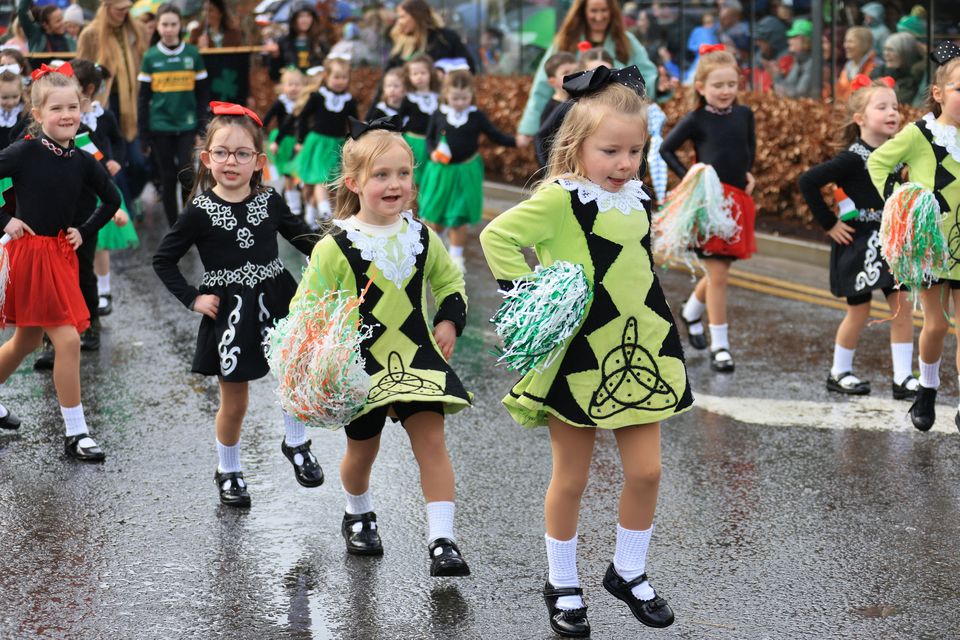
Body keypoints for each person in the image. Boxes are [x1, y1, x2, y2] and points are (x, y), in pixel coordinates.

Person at [480, 65, 688, 638]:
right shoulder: (559, 199)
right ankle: (563, 581)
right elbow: (496, 236)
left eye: (635, 151)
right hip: (578, 354)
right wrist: (526, 294)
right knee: (571, 478)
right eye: (611, 151)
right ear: (576, 146)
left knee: (646, 472)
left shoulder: (634, 197)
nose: (625, 164)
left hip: (641, 346)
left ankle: (628, 570)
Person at [290, 117, 472, 574]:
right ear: (354, 182)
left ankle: (442, 539)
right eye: (381, 175)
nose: (395, 185)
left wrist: (450, 319)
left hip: (417, 356)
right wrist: (317, 357)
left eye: (403, 174)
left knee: (432, 444)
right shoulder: (336, 245)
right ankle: (358, 512)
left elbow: (450, 281)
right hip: (361, 365)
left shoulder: (422, 236)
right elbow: (308, 307)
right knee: (361, 451)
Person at [153, 102, 319, 507]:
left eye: (242, 154)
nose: (232, 161)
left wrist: (345, 247)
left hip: (278, 297)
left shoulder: (270, 201)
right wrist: (193, 297)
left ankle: (296, 443)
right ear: (207, 159)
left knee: (293, 373)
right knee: (235, 400)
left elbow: (304, 239)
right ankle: (228, 469)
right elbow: (163, 259)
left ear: (258, 160)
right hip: (230, 313)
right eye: (223, 153)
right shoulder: (199, 211)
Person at [0, 64, 121, 460]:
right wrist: (6, 218)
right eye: (56, 109)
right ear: (37, 115)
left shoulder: (84, 159)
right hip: (30, 253)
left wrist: (84, 231)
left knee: (27, 340)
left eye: (73, 107)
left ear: (82, 109)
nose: (67, 115)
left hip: (60, 254)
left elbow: (113, 199)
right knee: (67, 339)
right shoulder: (25, 152)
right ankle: (76, 432)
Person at [799, 75, 917, 398]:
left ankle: (904, 378)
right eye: (882, 107)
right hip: (858, 244)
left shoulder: (896, 152)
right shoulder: (851, 158)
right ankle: (839, 372)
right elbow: (808, 181)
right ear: (860, 119)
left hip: (891, 242)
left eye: (895, 106)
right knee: (859, 310)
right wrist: (828, 224)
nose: (893, 112)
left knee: (902, 307)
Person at [867, 42, 960, 431]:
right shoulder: (921, 133)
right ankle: (927, 388)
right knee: (936, 325)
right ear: (938, 94)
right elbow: (878, 162)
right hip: (933, 246)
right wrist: (900, 207)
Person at [661, 46, 756, 373]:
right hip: (709, 202)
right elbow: (665, 148)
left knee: (721, 269)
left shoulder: (745, 115)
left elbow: (748, 148)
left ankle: (690, 312)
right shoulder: (696, 119)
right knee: (719, 275)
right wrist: (692, 176)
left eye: (731, 84)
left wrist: (748, 173)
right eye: (718, 85)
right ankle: (721, 346)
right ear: (700, 86)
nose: (726, 91)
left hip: (737, 200)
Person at [516, 0, 657, 148]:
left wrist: (659, 85)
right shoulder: (567, 40)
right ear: (583, 11)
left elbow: (646, 76)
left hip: (614, 120)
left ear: (611, 12)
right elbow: (542, 85)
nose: (599, 16)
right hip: (578, 123)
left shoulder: (626, 41)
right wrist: (528, 127)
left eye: (603, 10)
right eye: (593, 11)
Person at [420, 69, 516, 273]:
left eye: (464, 98)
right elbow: (429, 138)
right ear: (446, 94)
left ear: (471, 94)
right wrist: (432, 152)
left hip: (466, 171)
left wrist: (517, 141)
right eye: (455, 97)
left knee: (459, 215)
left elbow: (494, 135)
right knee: (434, 215)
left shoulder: (476, 116)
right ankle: (435, 250)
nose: (460, 102)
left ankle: (456, 255)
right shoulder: (438, 115)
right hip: (441, 171)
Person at [137, 3, 209, 226]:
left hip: (187, 126)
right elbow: (143, 98)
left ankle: (188, 219)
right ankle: (175, 227)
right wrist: (144, 133)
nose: (169, 29)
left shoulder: (192, 54)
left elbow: (203, 94)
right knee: (168, 178)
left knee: (187, 174)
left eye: (173, 24)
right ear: (158, 26)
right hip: (160, 127)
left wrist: (201, 127)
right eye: (164, 24)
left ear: (181, 26)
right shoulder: (150, 57)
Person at [76, 0, 150, 212]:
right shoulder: (90, 34)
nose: (124, 14)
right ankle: (123, 213)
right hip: (104, 106)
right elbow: (80, 69)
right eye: (119, 10)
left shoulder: (134, 29)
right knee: (112, 166)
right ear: (106, 7)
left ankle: (131, 200)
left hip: (133, 105)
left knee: (138, 163)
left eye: (127, 10)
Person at [294, 55, 357, 229]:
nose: (340, 81)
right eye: (336, 77)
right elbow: (303, 117)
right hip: (318, 144)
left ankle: (311, 213)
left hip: (336, 146)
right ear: (326, 77)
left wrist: (354, 142)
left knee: (329, 184)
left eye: (344, 77)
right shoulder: (318, 96)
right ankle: (326, 212)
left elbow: (353, 123)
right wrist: (300, 139)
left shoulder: (349, 101)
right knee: (320, 179)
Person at [386, 0, 475, 74]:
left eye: (402, 17)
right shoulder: (402, 45)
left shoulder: (445, 39)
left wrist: (445, 73)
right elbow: (387, 77)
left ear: (417, 16)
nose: (399, 22)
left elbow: (469, 67)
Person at [264, 66, 304, 216]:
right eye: (290, 84)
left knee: (299, 172)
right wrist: (261, 131)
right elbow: (267, 119)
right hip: (284, 141)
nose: (293, 88)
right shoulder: (280, 103)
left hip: (301, 142)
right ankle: (293, 205)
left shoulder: (306, 102)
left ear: (302, 87)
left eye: (297, 85)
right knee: (288, 173)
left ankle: (298, 196)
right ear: (283, 87)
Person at [400, 53, 439, 187]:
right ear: (409, 77)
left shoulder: (438, 98)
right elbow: (399, 120)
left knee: (430, 180)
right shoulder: (409, 98)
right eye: (415, 73)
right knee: (412, 179)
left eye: (423, 72)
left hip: (433, 144)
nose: (419, 76)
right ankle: (409, 207)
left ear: (430, 74)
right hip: (413, 143)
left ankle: (425, 207)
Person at [264, 2, 328, 81]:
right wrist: (275, 56)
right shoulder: (283, 42)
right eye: (301, 16)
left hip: (313, 85)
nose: (305, 20)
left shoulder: (319, 42)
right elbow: (274, 75)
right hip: (292, 86)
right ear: (294, 19)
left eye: (308, 16)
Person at [872, 32, 923, 106]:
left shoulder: (915, 78)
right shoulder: (880, 72)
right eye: (885, 49)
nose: (886, 54)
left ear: (905, 53)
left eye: (891, 50)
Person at [774, 18, 814, 98]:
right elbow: (787, 85)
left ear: (804, 40)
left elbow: (798, 94)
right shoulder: (799, 61)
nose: (789, 40)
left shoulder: (812, 63)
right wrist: (778, 76)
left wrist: (777, 77)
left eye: (794, 37)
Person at [835, 27, 876, 102]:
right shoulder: (847, 66)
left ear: (864, 44)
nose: (845, 46)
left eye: (850, 42)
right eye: (845, 41)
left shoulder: (875, 67)